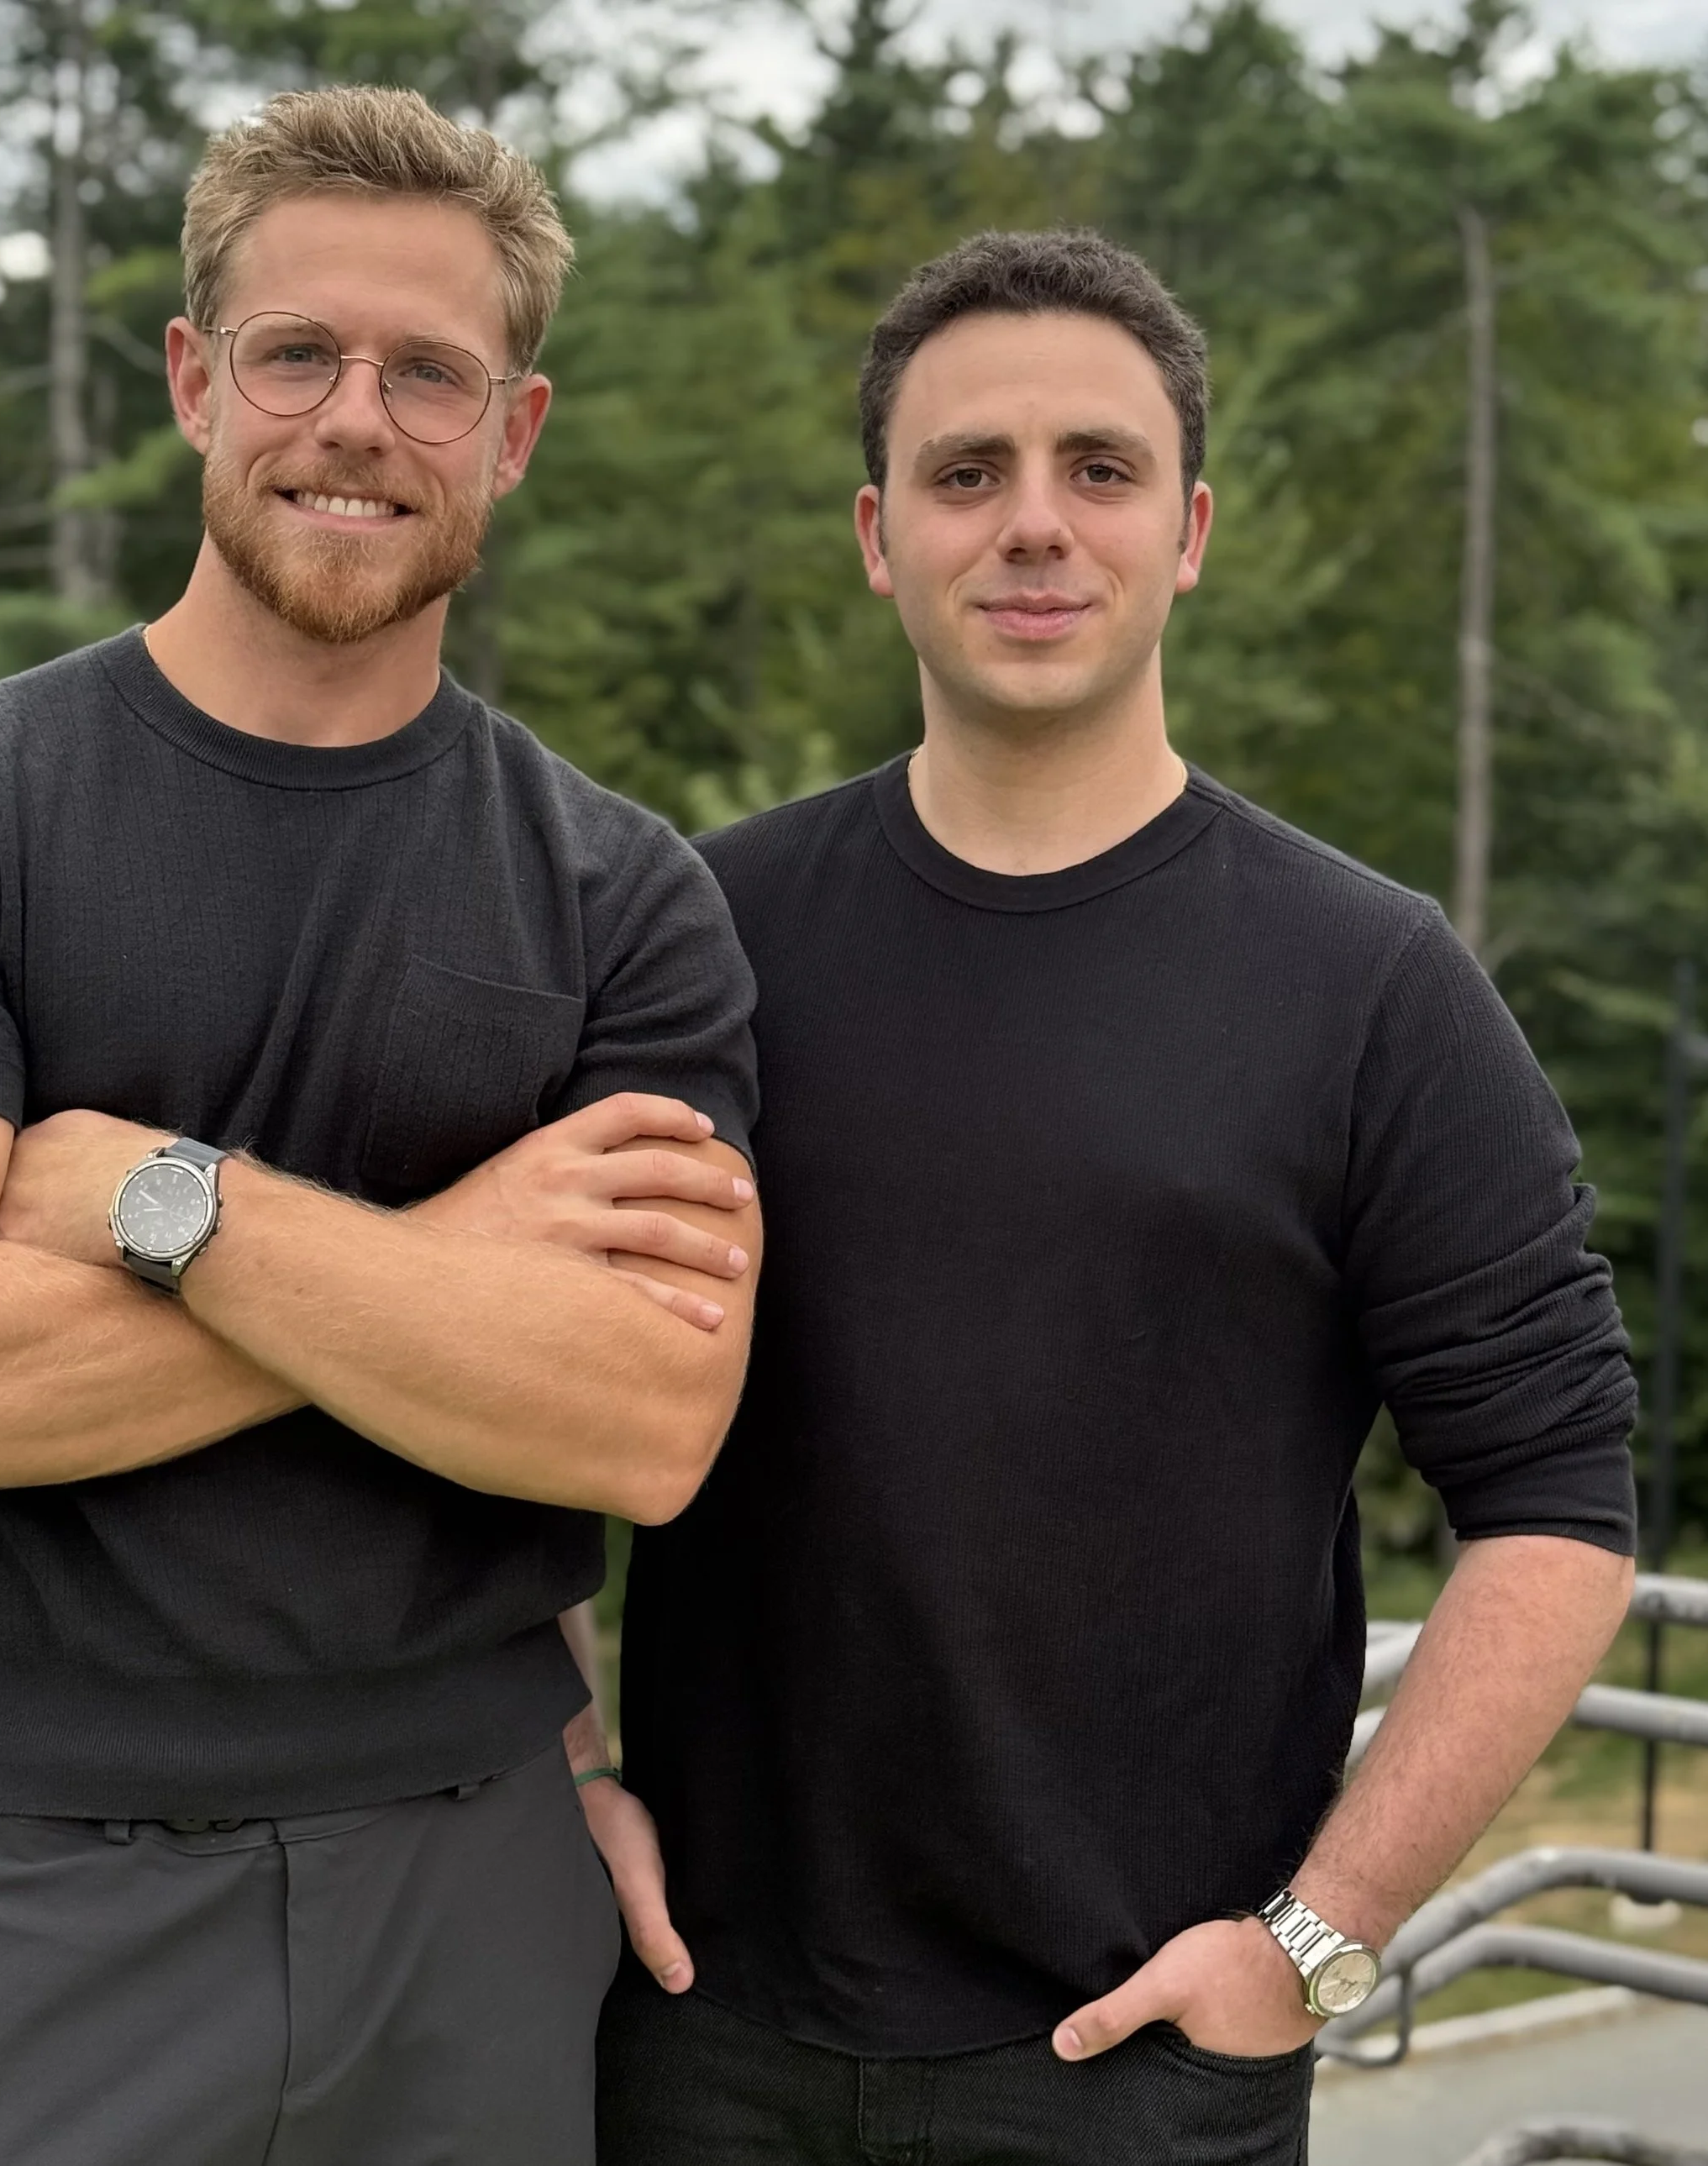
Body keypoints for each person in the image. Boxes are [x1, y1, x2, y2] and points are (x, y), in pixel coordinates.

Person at [0, 85, 761, 2166]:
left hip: (474, 1896)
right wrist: (457, 1267)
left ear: (512, 429)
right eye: (299, 353)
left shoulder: (618, 891)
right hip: (23, 1897)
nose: (355, 418)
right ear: (198, 380)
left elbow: (638, 1422)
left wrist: (154, 1199)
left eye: (428, 373)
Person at [593, 229, 1638, 2166]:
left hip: (1134, 2064)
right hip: (692, 2034)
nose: (1030, 527)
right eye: (963, 472)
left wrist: (1310, 1943)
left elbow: (1557, 1507)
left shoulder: (1368, 986)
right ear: (871, 532)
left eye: (1098, 467)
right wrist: (560, 1760)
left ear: (1189, 530)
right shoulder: (695, 942)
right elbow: (493, 1385)